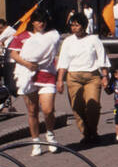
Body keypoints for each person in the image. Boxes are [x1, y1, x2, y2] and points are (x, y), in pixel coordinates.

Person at [9, 10, 62, 155]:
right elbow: (14, 54)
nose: (41, 23)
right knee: (32, 111)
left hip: (47, 75)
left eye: (44, 20)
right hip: (28, 76)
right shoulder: (22, 36)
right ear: (32, 22)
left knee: (48, 110)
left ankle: (50, 135)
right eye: (38, 20)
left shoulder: (51, 35)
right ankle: (36, 142)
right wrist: (27, 64)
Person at [55, 11, 110, 144]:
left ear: (84, 26)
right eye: (72, 25)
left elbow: (102, 58)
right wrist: (59, 81)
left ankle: (93, 131)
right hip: (73, 78)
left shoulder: (94, 39)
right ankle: (86, 134)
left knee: (93, 106)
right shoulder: (67, 41)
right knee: (77, 107)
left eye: (77, 25)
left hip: (92, 77)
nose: (74, 28)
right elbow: (63, 62)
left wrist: (104, 76)